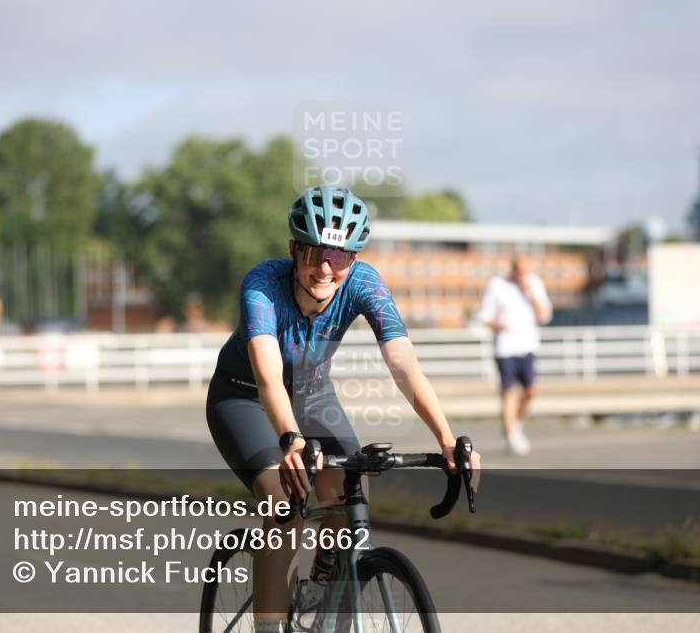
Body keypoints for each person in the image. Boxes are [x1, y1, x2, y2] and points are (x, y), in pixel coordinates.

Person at [206, 185, 481, 633]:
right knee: (284, 504)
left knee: (350, 493)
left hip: (313, 394)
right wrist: (291, 441)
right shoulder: (263, 285)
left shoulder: (364, 283)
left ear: (354, 259)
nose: (326, 268)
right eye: (315, 253)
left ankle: (323, 592)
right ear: (294, 249)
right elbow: (269, 377)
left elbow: (405, 366)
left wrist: (447, 440)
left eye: (340, 256)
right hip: (245, 396)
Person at [480, 255, 552, 456]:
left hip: (527, 345)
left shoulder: (535, 283)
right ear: (512, 269)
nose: (523, 275)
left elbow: (544, 315)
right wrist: (498, 325)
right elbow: (485, 317)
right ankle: (511, 436)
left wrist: (530, 293)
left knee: (531, 390)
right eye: (519, 271)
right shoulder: (496, 285)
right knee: (508, 392)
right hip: (505, 347)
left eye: (526, 271)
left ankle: (516, 423)